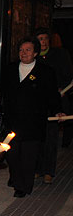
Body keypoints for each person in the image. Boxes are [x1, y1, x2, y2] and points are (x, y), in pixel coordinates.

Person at [1, 37, 62, 198]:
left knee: (28, 156)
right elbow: (2, 89)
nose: (24, 53)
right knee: (12, 154)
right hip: (13, 121)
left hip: (34, 122)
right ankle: (15, 177)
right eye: (21, 50)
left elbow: (52, 96)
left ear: (35, 52)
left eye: (28, 50)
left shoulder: (45, 72)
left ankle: (23, 186)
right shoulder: (10, 69)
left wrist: (58, 111)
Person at [35, 29, 73, 181]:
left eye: (45, 39)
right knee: (38, 138)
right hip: (38, 104)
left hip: (55, 102)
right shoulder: (35, 57)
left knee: (51, 138)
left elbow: (68, 75)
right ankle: (38, 168)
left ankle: (49, 171)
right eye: (39, 39)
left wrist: (62, 90)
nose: (42, 42)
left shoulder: (59, 55)